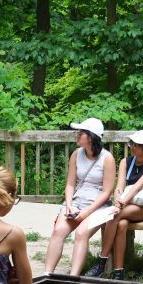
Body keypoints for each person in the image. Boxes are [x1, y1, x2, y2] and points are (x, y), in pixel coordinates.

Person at [85, 130, 143, 280]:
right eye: (131, 143)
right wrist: (118, 199)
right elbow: (119, 187)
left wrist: (121, 203)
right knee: (121, 224)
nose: (131, 147)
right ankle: (118, 271)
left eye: (135, 145)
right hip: (126, 204)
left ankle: (102, 260)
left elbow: (138, 186)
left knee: (115, 214)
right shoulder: (125, 162)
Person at [43, 118, 116, 275]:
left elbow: (106, 193)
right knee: (58, 231)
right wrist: (69, 205)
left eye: (81, 132)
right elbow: (70, 184)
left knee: (81, 233)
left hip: (97, 205)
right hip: (76, 202)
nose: (77, 135)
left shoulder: (107, 158)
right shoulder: (76, 154)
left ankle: (73, 278)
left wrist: (86, 212)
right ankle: (47, 275)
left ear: (91, 137)